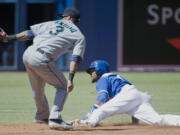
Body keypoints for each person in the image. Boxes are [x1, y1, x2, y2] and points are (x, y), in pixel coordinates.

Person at [0, 8, 86, 130]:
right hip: (41, 58)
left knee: (37, 88)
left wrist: (9, 38)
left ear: (68, 18)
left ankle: (42, 116)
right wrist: (70, 79)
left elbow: (29, 34)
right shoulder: (79, 36)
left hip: (28, 53)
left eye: (63, 16)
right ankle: (55, 119)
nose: (62, 18)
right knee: (62, 86)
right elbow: (75, 59)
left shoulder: (53, 23)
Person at [75, 60, 180, 127]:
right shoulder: (113, 77)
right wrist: (135, 121)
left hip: (128, 95)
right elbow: (129, 100)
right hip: (138, 96)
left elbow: (102, 97)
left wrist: (90, 117)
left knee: (100, 111)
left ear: (99, 69)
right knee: (156, 120)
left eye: (92, 70)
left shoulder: (104, 77)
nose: (90, 74)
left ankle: (86, 124)